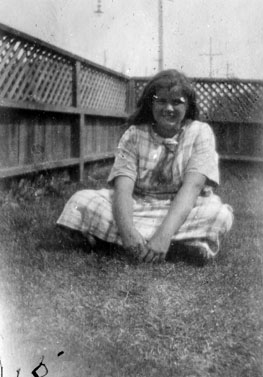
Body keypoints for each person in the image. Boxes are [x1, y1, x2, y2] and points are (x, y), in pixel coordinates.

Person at [57, 69, 233, 264]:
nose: (168, 108)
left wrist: (164, 235)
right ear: (151, 103)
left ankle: (116, 243)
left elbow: (193, 187)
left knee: (218, 214)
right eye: (161, 101)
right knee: (81, 200)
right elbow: (122, 189)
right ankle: (179, 245)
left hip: (182, 207)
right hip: (138, 204)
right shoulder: (132, 134)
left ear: (188, 106)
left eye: (177, 102)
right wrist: (128, 233)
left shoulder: (201, 132)